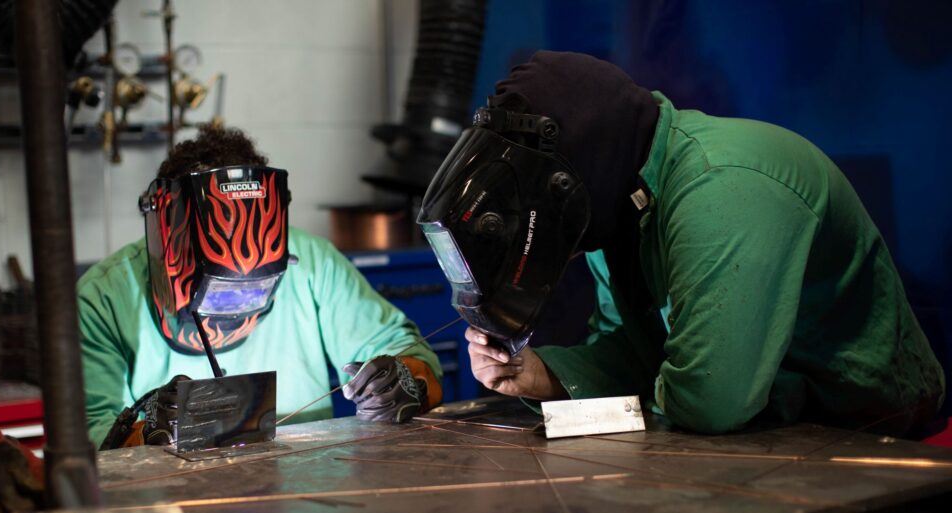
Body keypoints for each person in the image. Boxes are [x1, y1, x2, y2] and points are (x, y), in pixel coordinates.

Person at [418, 50, 944, 436]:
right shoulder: (618, 202)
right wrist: (543, 375)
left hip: (879, 437)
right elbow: (634, 351)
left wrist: (648, 396)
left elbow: (710, 402)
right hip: (782, 438)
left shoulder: (725, 185)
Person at [78, 126, 442, 448]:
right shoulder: (104, 299)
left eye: (256, 286)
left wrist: (404, 382)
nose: (237, 305)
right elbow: (88, 437)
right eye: (217, 287)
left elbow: (411, 356)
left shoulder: (313, 263)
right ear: (168, 244)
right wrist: (146, 433)